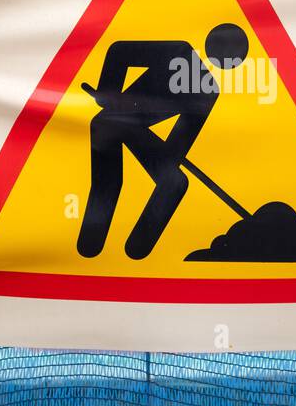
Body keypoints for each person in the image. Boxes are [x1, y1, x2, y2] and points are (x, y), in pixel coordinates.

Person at [78, 23, 248, 259]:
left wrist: (167, 162)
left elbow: (182, 138)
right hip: (110, 121)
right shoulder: (178, 51)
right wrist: (109, 90)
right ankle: (90, 243)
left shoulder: (208, 90)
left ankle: (136, 248)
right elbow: (119, 52)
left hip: (126, 126)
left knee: (174, 182)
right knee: (108, 174)